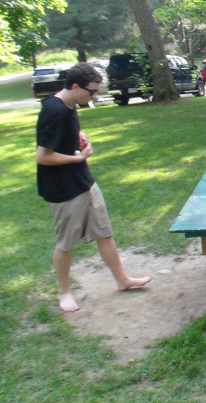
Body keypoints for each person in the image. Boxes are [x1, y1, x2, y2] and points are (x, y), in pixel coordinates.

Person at [36, 62, 150, 312]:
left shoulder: (70, 105)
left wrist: (80, 137)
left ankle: (122, 280)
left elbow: (64, 137)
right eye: (92, 92)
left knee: (104, 232)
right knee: (65, 243)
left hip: (83, 181)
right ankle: (63, 293)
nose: (94, 96)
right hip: (62, 189)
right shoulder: (53, 110)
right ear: (75, 86)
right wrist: (78, 158)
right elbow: (42, 156)